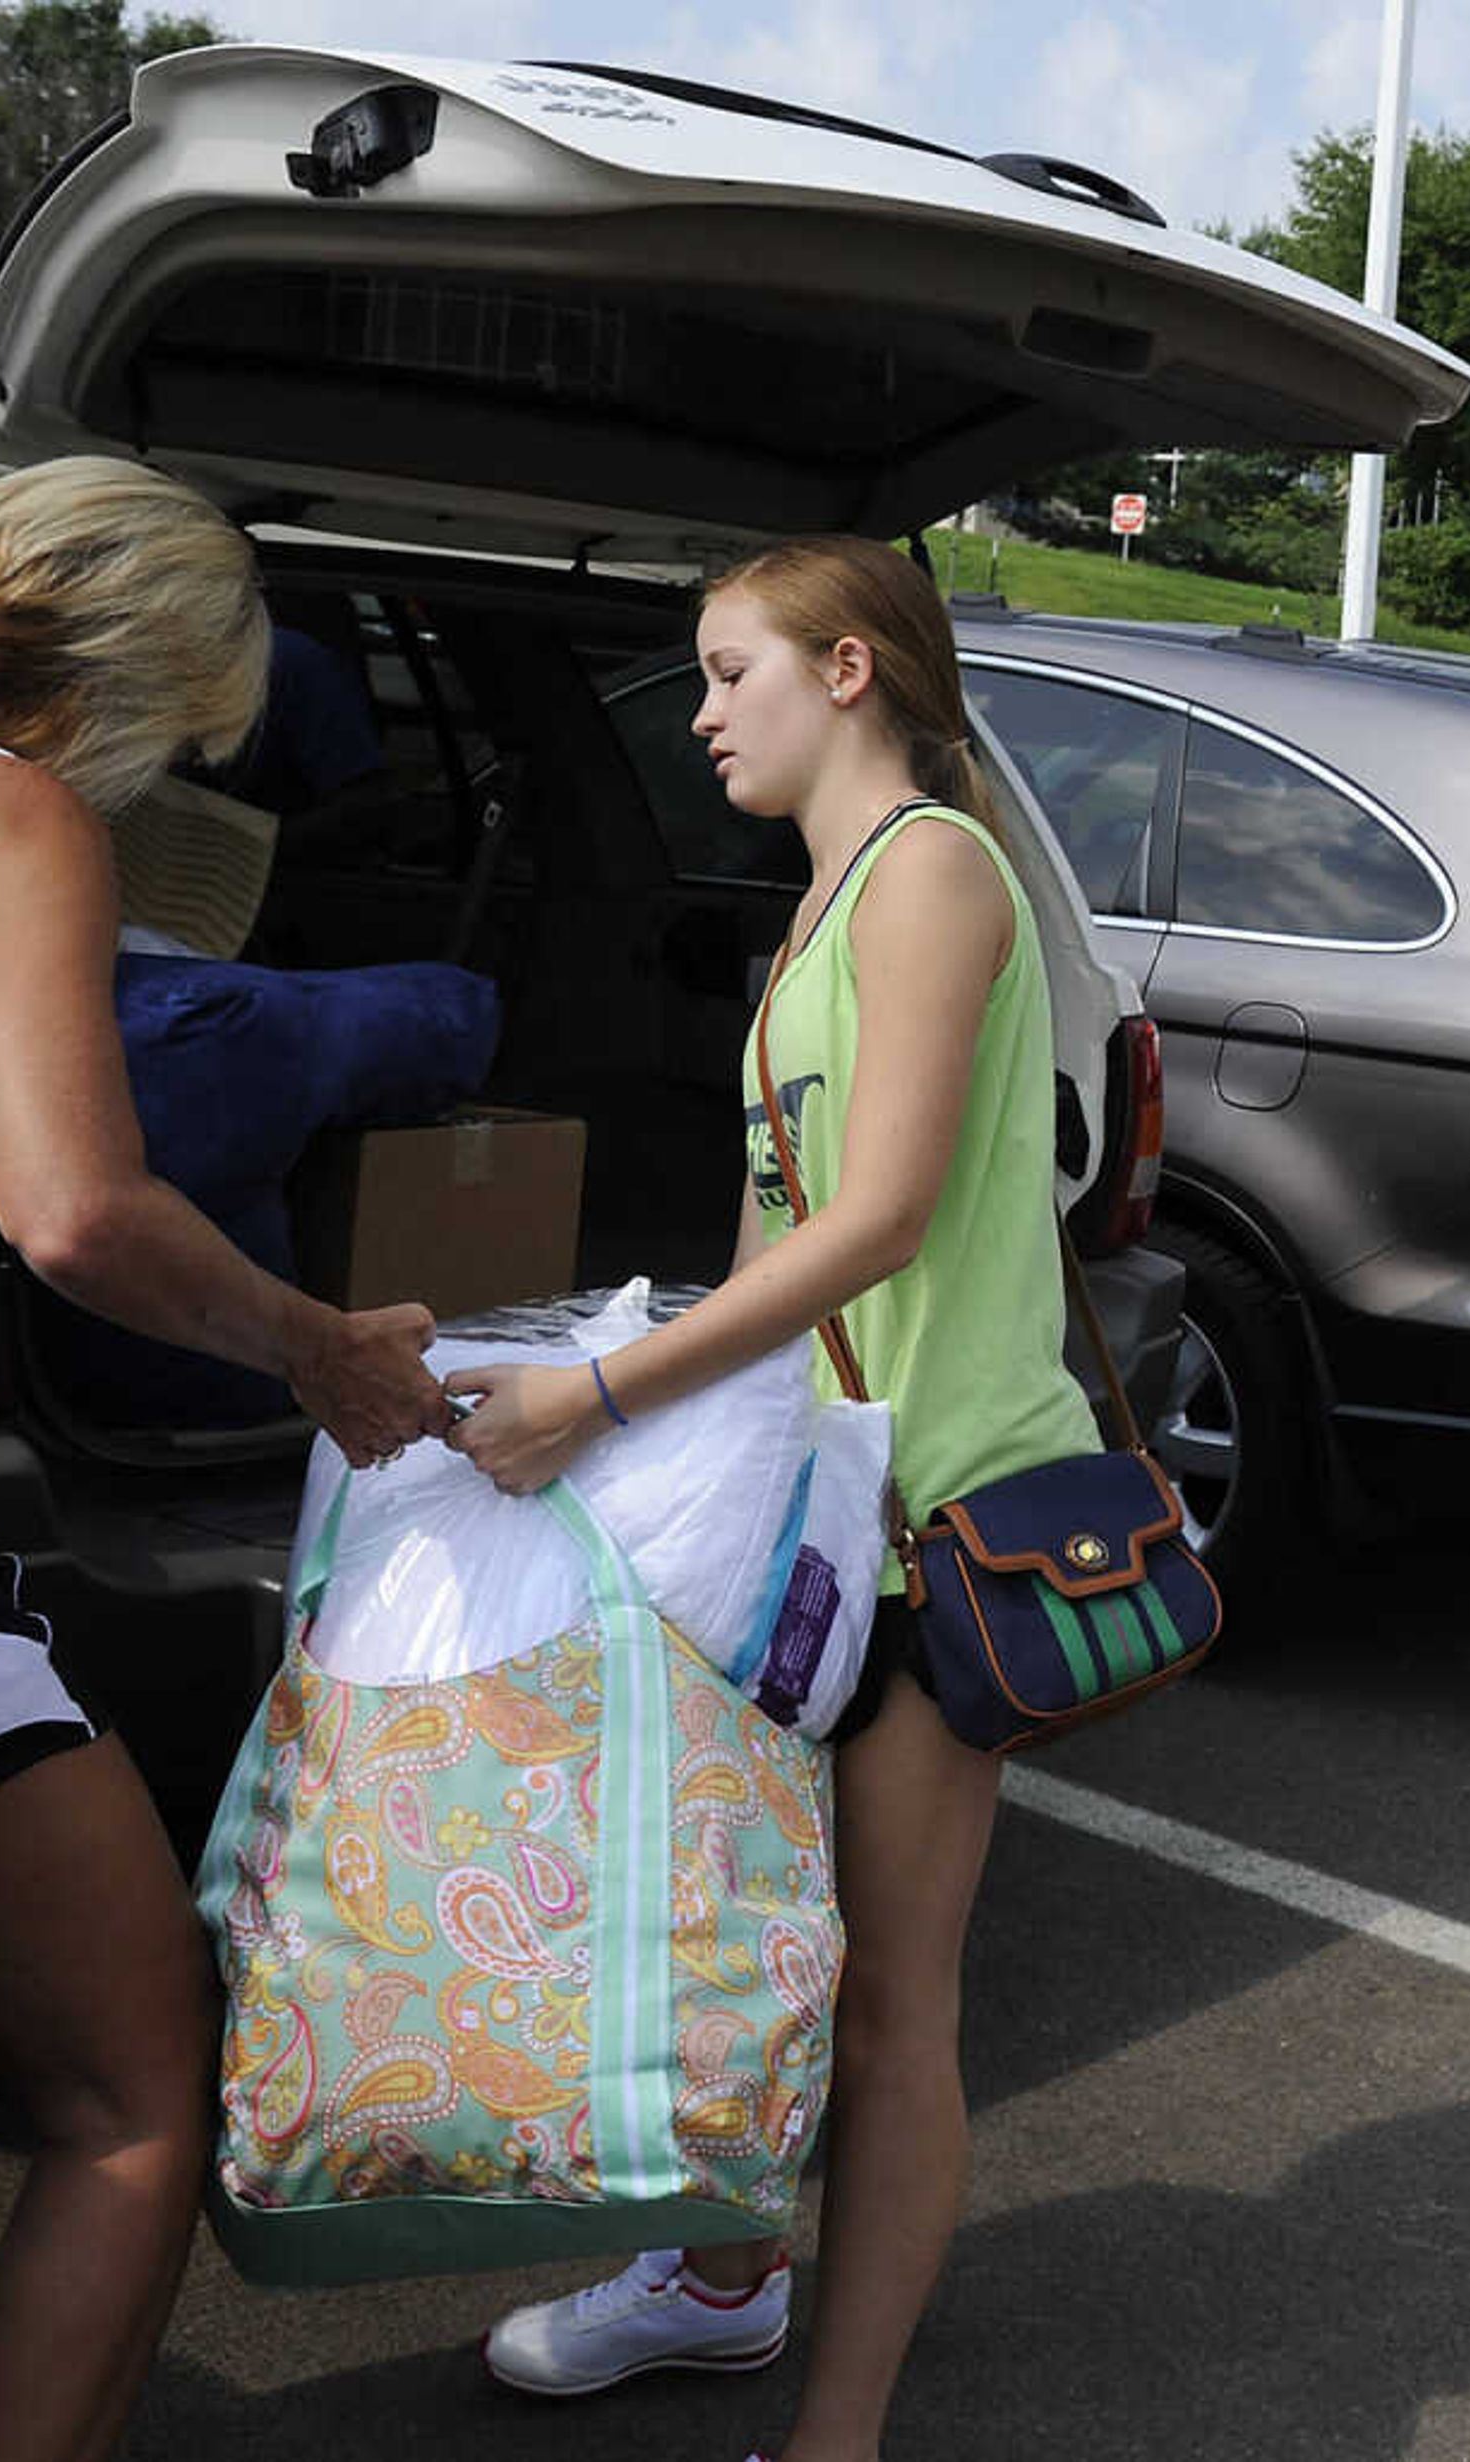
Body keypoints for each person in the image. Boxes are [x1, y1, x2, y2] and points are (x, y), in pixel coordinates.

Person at [0, 455, 451, 2462]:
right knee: (138, 2088)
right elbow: (76, 1213)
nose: (160, 791)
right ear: (134, 677)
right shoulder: (4, 812)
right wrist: (319, 1347)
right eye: (184, 743)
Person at [450, 535, 1105, 2462]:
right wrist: (645, 1417)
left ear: (845, 670)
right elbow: (776, 1239)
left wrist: (596, 1388)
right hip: (812, 1513)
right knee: (760, 1949)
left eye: (728, 671)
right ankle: (725, 2284)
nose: (703, 710)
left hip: (931, 1516)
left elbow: (886, 1212)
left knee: (898, 2000)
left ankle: (835, 2435)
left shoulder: (931, 875)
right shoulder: (824, 896)